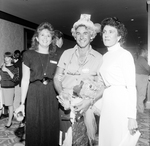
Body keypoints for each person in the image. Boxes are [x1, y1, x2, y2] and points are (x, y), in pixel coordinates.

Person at [54, 14, 103, 146]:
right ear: (74, 36)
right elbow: (57, 77)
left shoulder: (99, 58)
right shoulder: (66, 54)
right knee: (65, 139)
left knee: (83, 141)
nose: (81, 36)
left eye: (85, 33)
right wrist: (61, 93)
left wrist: (90, 100)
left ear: (91, 36)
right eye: (78, 33)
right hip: (66, 104)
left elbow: (102, 85)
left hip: (87, 107)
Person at [15, 22, 59, 146]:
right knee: (34, 125)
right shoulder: (28, 55)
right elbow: (25, 80)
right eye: (42, 35)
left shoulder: (56, 56)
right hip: (34, 93)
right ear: (37, 38)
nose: (45, 38)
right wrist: (22, 103)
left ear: (51, 39)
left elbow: (59, 78)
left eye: (48, 36)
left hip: (51, 94)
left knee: (51, 125)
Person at [98, 17, 138, 146]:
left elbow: (131, 87)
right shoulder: (104, 56)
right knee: (107, 137)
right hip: (107, 101)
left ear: (119, 36)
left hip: (120, 102)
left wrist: (132, 117)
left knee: (118, 138)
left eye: (111, 31)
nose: (106, 35)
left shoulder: (124, 55)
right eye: (104, 32)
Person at [0, 52, 19, 128]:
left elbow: (15, 79)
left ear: (11, 58)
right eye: (5, 57)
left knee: (10, 105)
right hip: (2, 88)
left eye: (8, 57)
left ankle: (9, 122)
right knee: (2, 105)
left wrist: (7, 70)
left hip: (10, 88)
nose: (6, 59)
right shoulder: (2, 66)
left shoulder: (14, 67)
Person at [135, 44, 150, 113]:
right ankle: (140, 111)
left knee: (139, 94)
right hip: (142, 78)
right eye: (146, 52)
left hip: (139, 77)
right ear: (143, 52)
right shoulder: (142, 59)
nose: (147, 54)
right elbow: (148, 69)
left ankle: (139, 109)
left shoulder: (139, 59)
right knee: (142, 95)